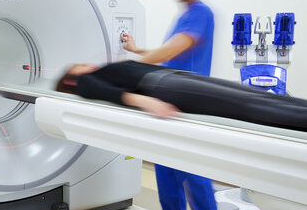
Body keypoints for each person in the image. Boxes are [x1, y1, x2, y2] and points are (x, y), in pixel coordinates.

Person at [118, 0, 224, 210]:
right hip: (167, 105)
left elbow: (171, 50)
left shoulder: (201, 13)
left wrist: (123, 70)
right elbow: (167, 56)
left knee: (193, 174)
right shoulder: (184, 17)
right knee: (166, 173)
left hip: (189, 105)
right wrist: (136, 49)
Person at [55, 61, 307, 133]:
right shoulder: (83, 82)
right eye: (77, 65)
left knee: (256, 96)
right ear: (69, 79)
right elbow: (106, 92)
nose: (85, 64)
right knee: (248, 104)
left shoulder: (100, 72)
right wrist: (146, 101)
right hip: (163, 87)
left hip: (174, 78)